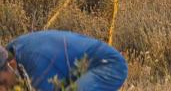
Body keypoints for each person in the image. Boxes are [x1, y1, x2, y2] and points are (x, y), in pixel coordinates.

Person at [0, 30, 128, 91]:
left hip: (108, 65)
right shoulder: (12, 52)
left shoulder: (37, 63)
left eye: (3, 82)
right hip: (77, 70)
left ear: (11, 64)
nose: (3, 89)